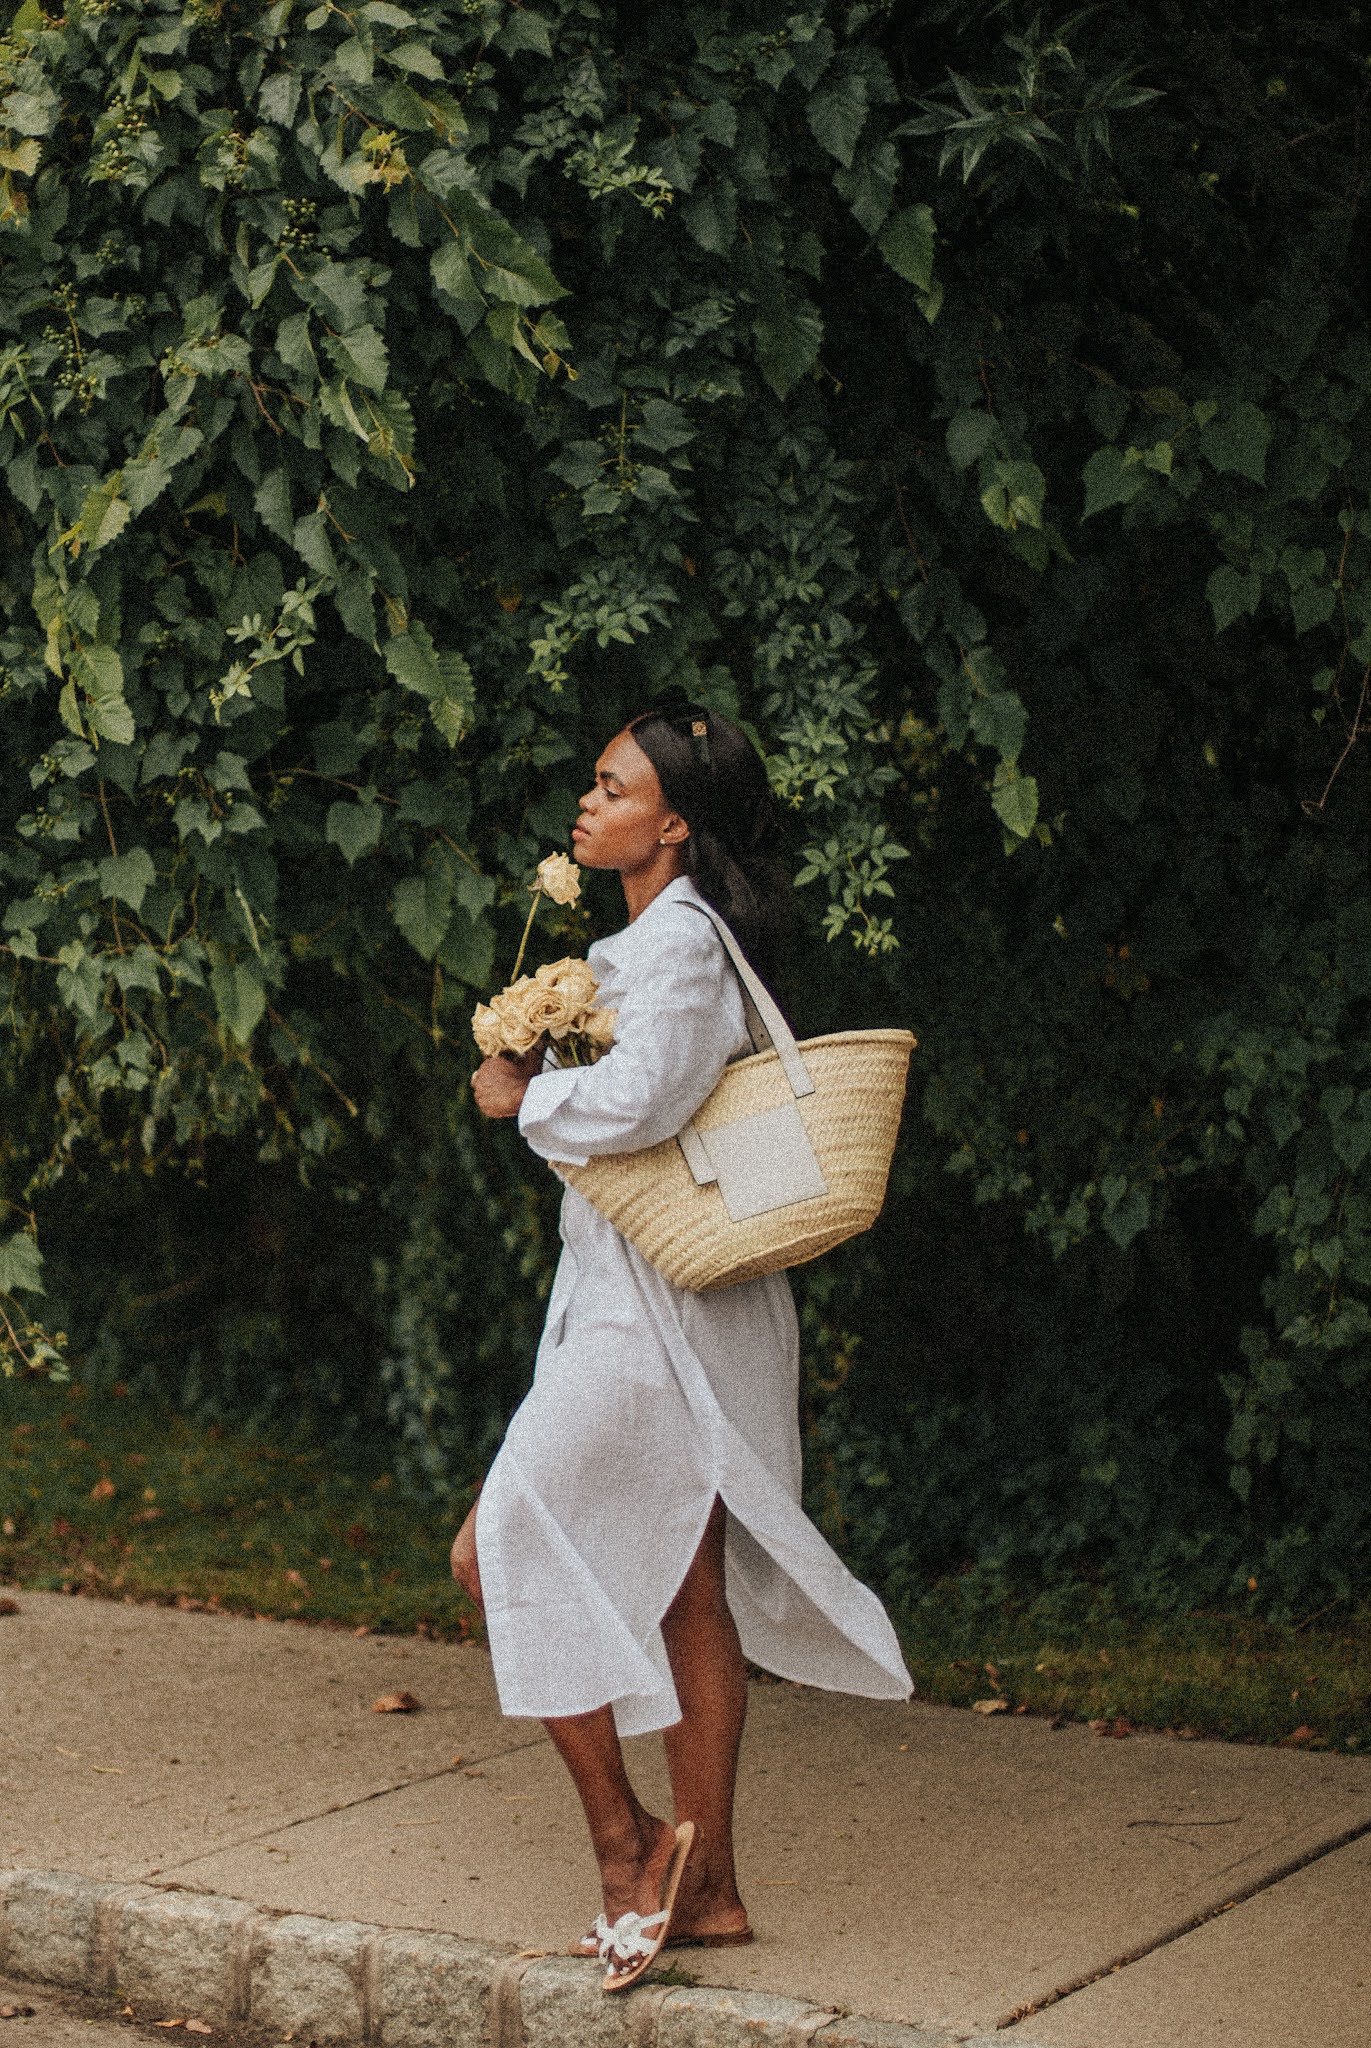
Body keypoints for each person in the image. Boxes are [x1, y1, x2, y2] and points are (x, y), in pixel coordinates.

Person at [450, 703, 912, 1992]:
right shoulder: (651, 943)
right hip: (666, 1300)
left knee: (500, 1547)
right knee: (687, 1583)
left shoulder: (683, 946)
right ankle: (708, 1889)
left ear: (676, 822)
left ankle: (629, 1845)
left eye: (614, 790)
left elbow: (644, 1099)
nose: (588, 807)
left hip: (654, 1317)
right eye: (592, 788)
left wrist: (523, 1092)